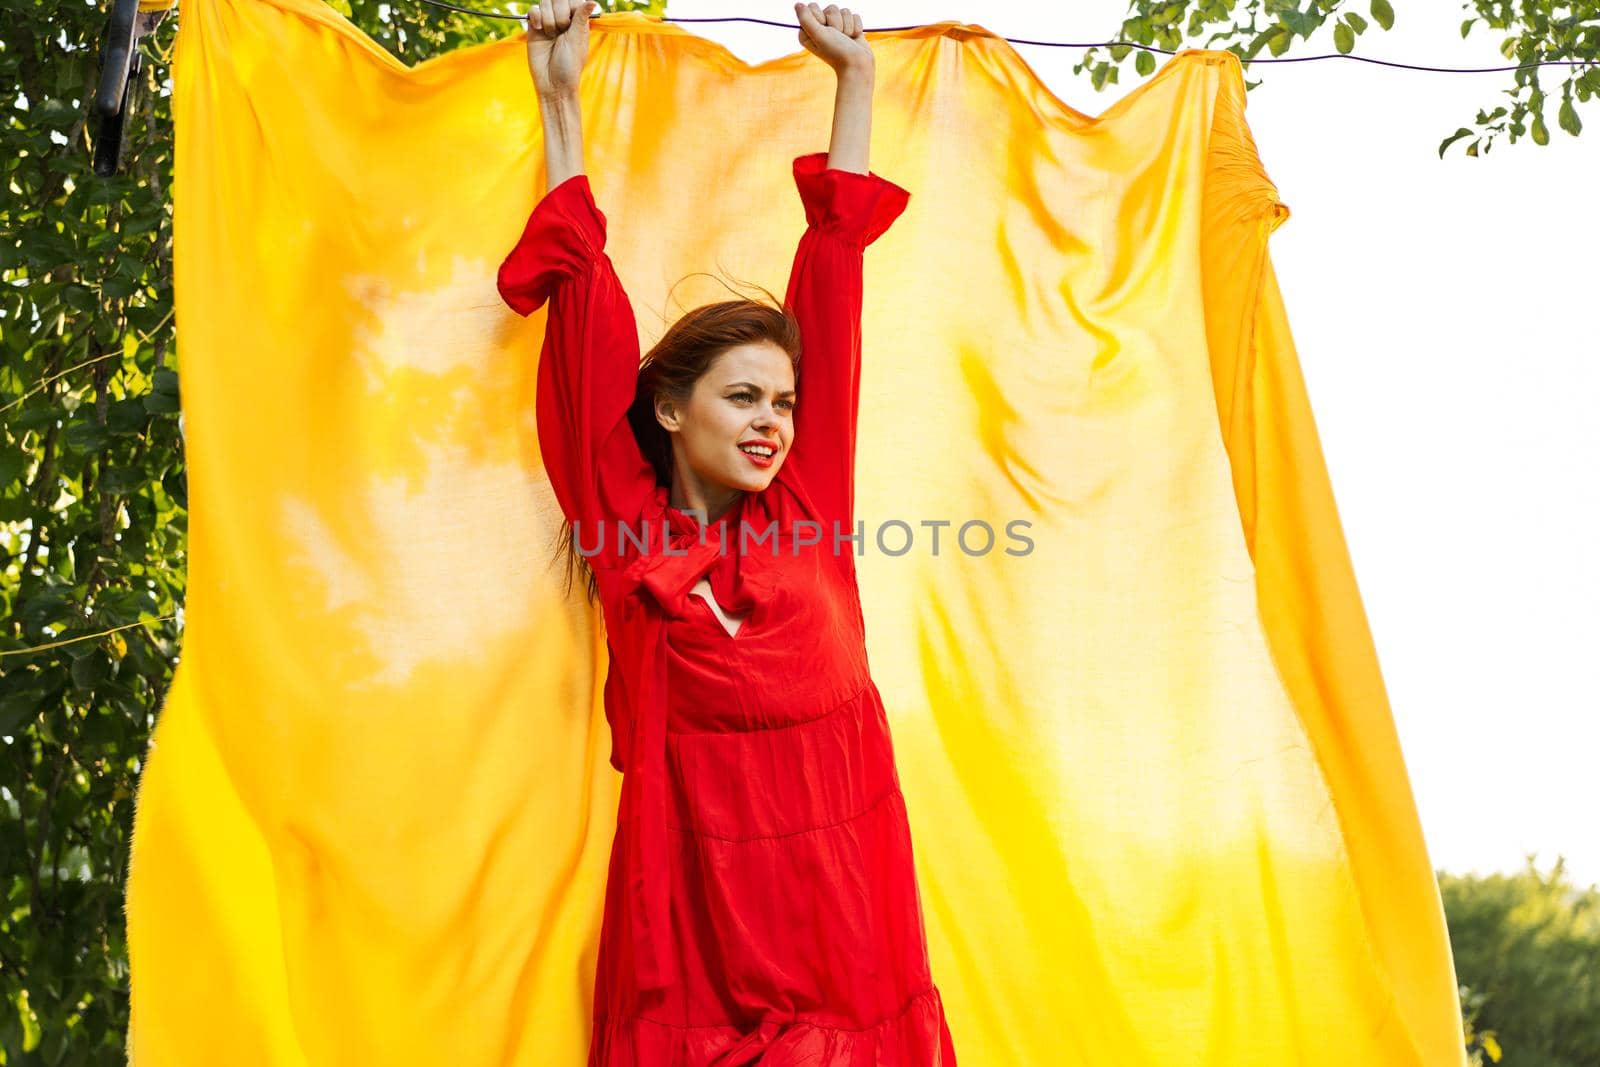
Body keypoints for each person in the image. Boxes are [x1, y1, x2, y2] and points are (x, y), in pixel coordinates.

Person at [498, 2, 958, 1062]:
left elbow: (833, 268)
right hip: (696, 924)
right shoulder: (625, 529)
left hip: (850, 910)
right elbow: (582, 301)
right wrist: (557, 95)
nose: (770, 423)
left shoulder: (809, 506)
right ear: (670, 408)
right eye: (743, 396)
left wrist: (853, 81)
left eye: (784, 404)